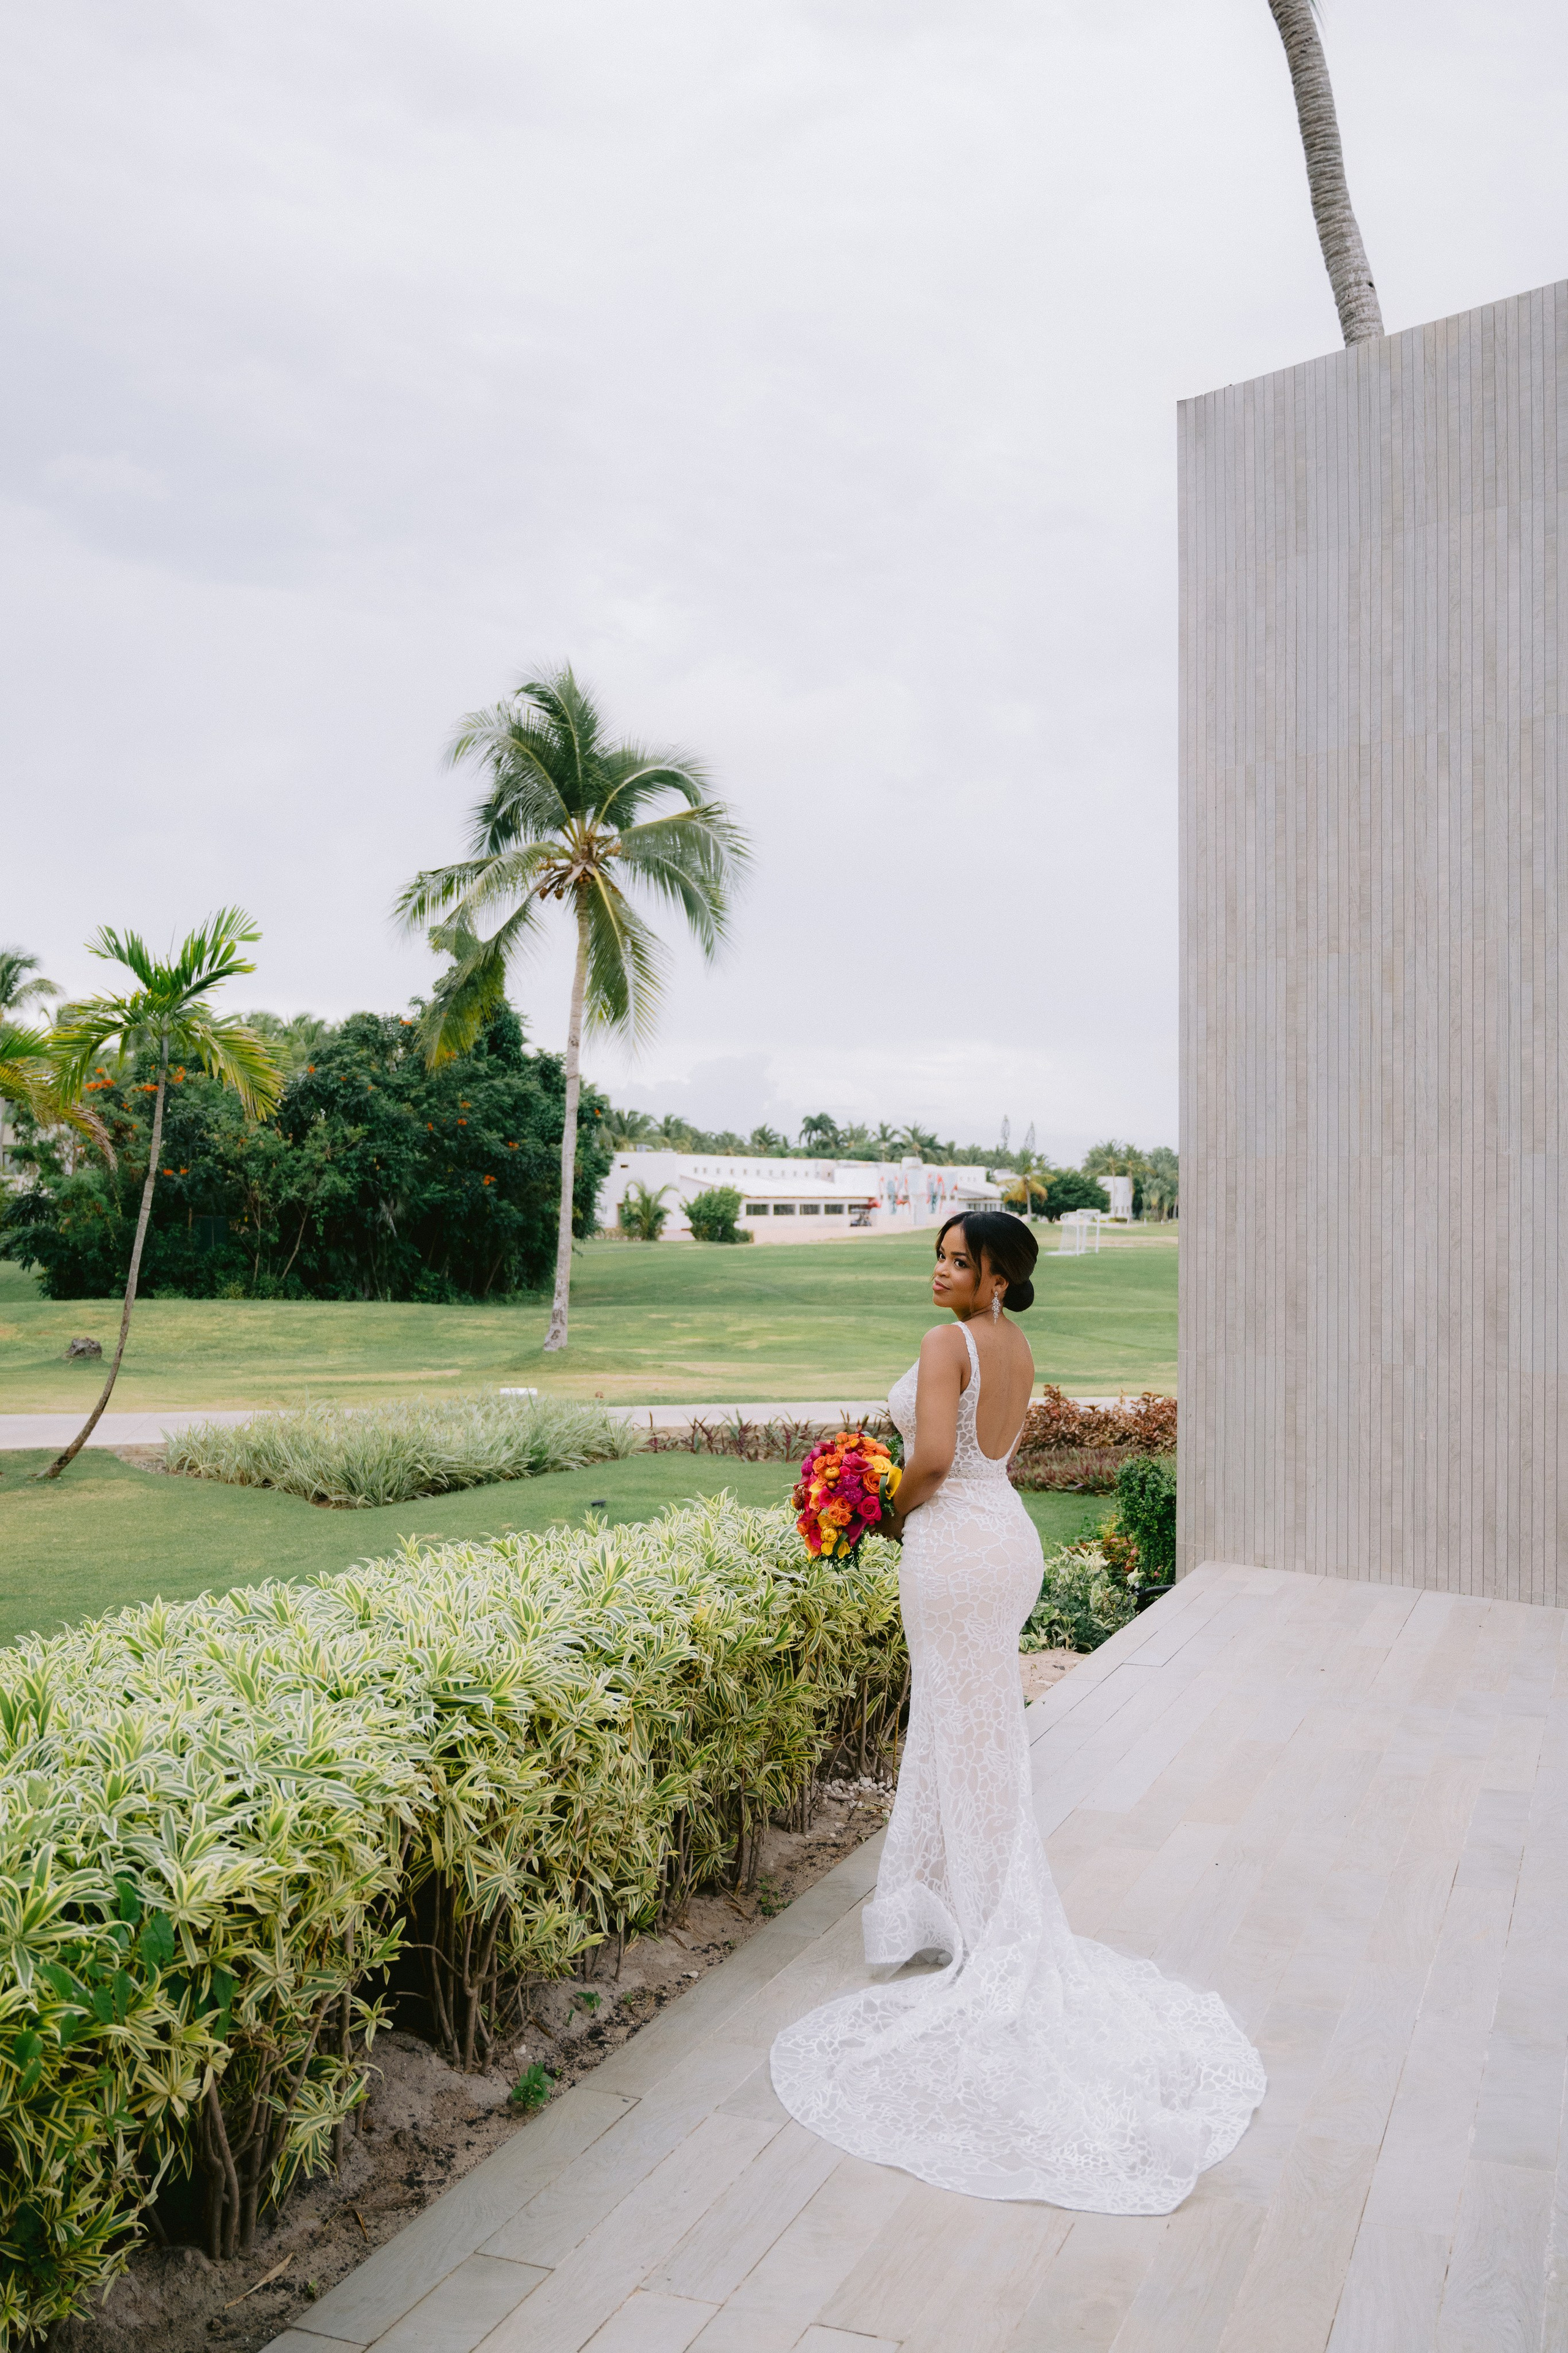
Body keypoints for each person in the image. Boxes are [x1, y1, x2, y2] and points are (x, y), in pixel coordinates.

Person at [770, 1209, 1264, 2213]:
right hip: (1009, 1545)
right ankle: (941, 1904)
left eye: (960, 1260)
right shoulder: (1017, 1343)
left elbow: (940, 1460)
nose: (940, 1270)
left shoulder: (945, 1342)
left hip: (955, 1547)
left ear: (997, 1277)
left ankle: (992, 1921)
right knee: (970, 1736)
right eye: (942, 1255)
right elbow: (983, 1455)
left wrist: (873, 1500)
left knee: (963, 1738)